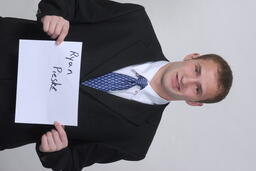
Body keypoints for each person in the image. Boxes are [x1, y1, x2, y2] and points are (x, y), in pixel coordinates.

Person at [0, 0, 233, 171]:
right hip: (6, 43)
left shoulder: (136, 141)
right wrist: (55, 13)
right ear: (192, 57)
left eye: (198, 88)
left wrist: (57, 152)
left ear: (194, 101)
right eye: (197, 70)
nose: (187, 80)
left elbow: (71, 162)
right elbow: (71, 4)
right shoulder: (134, 21)